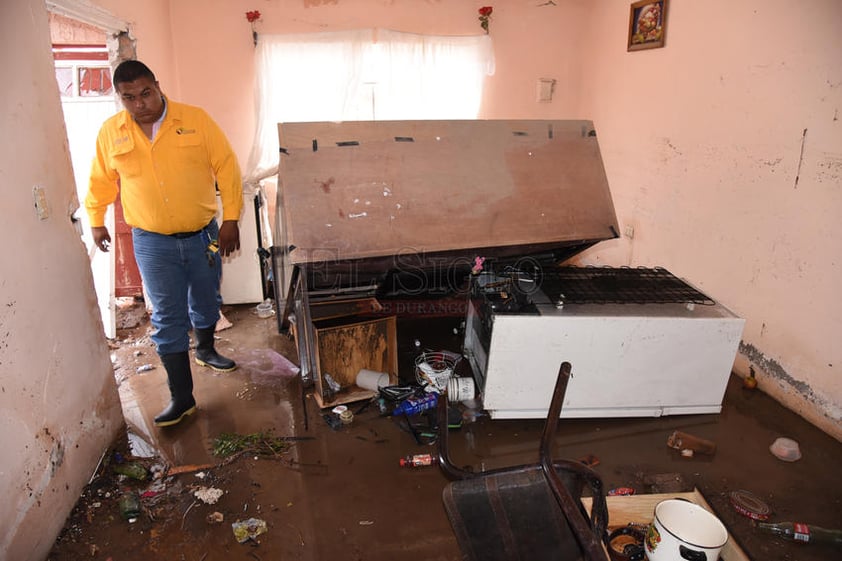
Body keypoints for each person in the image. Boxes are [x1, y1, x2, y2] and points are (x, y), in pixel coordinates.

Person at [85, 60, 243, 427]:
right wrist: (96, 220)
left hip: (203, 235)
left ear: (157, 86)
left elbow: (226, 166)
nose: (140, 103)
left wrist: (232, 217)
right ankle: (182, 398)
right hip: (151, 242)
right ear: (119, 98)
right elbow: (100, 180)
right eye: (129, 98)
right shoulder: (112, 132)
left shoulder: (195, 119)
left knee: (206, 300)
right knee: (167, 317)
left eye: (145, 93)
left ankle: (205, 349)